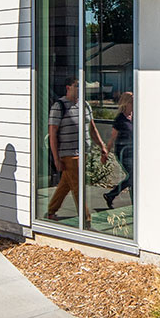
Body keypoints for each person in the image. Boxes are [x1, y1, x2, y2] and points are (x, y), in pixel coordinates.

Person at [45, 76, 110, 226]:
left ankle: (51, 211)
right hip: (69, 154)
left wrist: (102, 146)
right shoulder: (59, 106)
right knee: (77, 186)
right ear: (68, 87)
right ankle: (86, 220)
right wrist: (56, 158)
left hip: (84, 152)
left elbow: (92, 128)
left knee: (66, 184)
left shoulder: (85, 105)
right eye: (77, 85)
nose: (81, 89)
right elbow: (53, 133)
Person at [102, 91, 134, 209]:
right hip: (123, 151)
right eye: (132, 101)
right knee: (133, 175)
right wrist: (106, 152)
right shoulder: (120, 119)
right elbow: (112, 138)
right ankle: (111, 194)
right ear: (127, 103)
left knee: (133, 177)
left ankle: (113, 196)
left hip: (133, 151)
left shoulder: (135, 116)